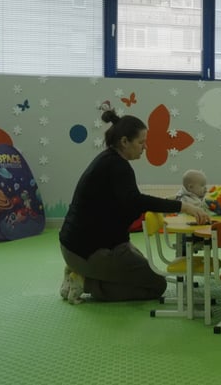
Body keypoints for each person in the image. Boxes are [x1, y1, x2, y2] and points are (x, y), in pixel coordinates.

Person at [59, 111, 210, 304]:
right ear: (124, 141)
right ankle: (85, 281)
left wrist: (178, 204)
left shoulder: (108, 160)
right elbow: (136, 201)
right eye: (141, 142)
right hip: (86, 251)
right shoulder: (117, 166)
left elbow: (130, 201)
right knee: (156, 285)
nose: (145, 147)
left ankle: (80, 273)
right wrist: (184, 206)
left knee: (142, 268)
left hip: (76, 246)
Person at [174, 169, 221, 255]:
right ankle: (183, 252)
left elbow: (207, 209)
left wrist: (220, 208)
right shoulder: (184, 198)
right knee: (210, 234)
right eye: (202, 186)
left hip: (202, 227)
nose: (205, 188)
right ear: (190, 187)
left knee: (218, 230)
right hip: (190, 231)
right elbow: (195, 208)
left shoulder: (197, 196)